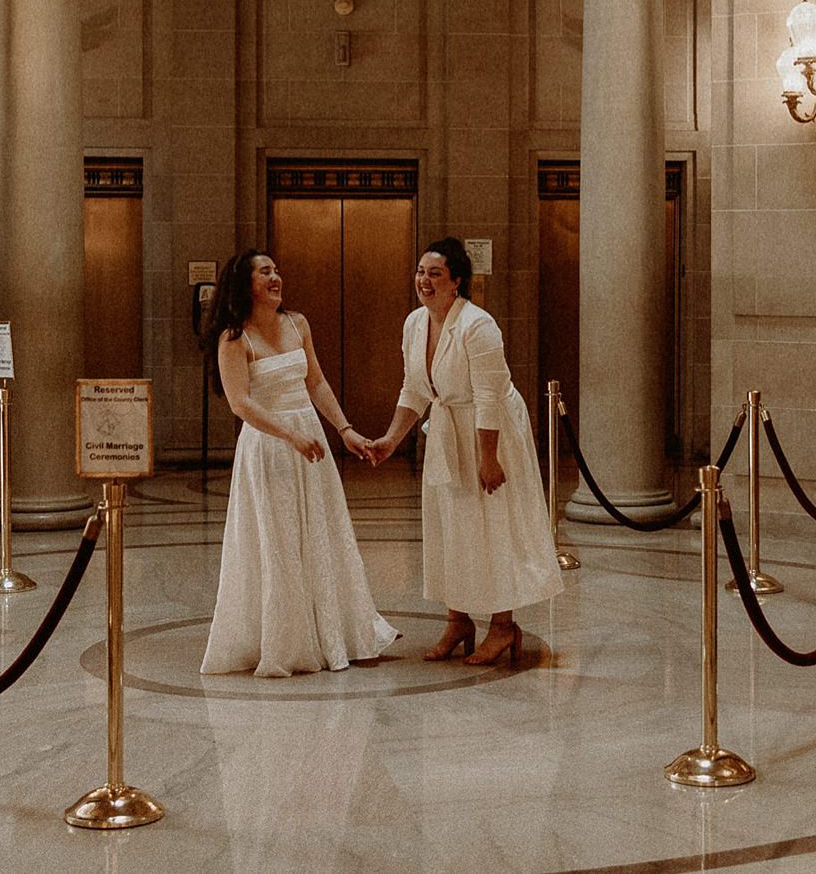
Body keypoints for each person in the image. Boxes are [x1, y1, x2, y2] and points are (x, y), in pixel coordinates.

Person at [352, 238, 559, 666]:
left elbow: (488, 396)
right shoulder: (414, 324)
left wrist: (489, 458)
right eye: (421, 272)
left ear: (457, 281)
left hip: (490, 432)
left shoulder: (478, 325)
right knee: (451, 526)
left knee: (492, 528)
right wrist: (391, 440)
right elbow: (414, 389)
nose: (424, 281)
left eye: (435, 274)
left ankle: (502, 626)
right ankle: (458, 619)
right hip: (447, 434)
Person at [200, 249, 399, 678]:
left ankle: (336, 630)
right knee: (280, 540)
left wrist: (345, 430)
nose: (276, 277)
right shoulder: (234, 338)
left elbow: (316, 381)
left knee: (320, 533)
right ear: (245, 283)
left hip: (310, 440)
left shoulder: (298, 323)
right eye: (264, 272)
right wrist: (289, 434)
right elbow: (240, 403)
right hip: (270, 447)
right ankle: (287, 641)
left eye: (276, 270)